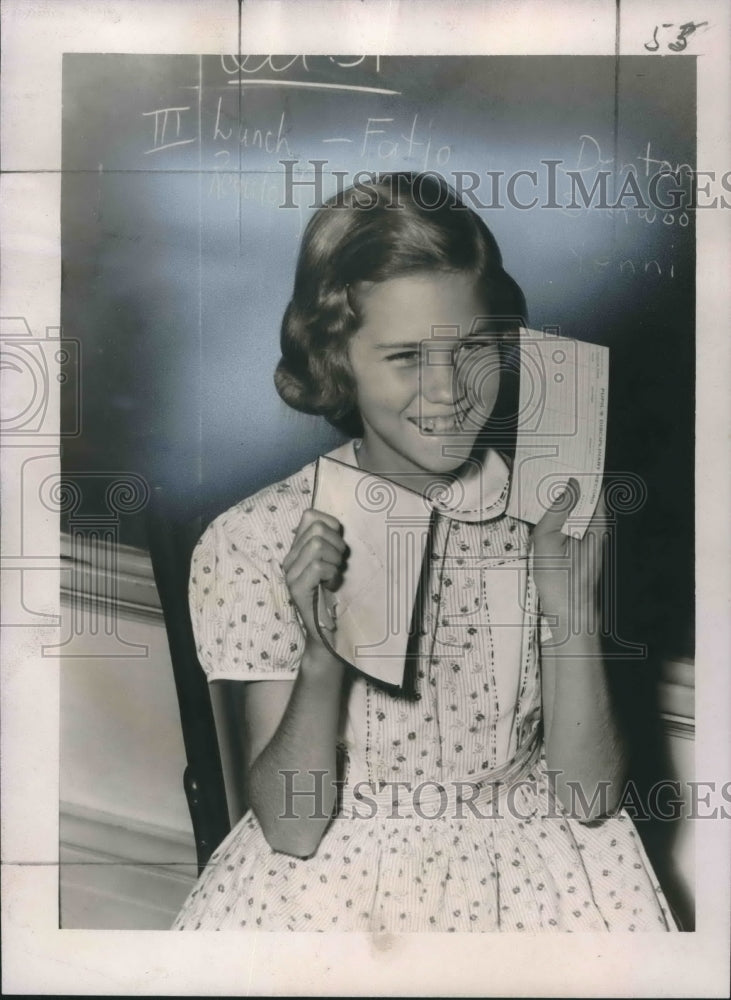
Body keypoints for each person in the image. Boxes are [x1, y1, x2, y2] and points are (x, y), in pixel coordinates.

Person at [173, 173, 675, 932]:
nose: (445, 391)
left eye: (470, 347)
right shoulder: (256, 539)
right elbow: (292, 827)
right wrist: (321, 655)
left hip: (535, 878)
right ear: (336, 358)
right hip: (334, 890)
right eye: (406, 356)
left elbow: (589, 799)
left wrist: (569, 613)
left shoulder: (548, 508)